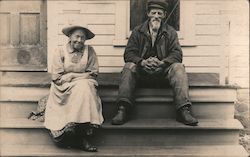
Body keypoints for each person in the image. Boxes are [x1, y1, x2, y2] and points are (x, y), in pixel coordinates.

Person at [111, 0, 198, 126]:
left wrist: (163, 63)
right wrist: (142, 62)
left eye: (159, 13)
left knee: (178, 67)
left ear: (164, 15)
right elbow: (128, 54)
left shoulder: (171, 32)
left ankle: (183, 110)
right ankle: (123, 109)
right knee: (129, 66)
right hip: (142, 73)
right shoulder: (137, 31)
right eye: (153, 13)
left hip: (163, 73)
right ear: (148, 14)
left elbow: (177, 54)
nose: (156, 16)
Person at [44, 26, 103, 152]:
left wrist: (72, 76)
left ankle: (78, 129)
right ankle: (73, 133)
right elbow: (57, 78)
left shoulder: (90, 51)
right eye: (77, 36)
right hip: (63, 88)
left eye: (83, 37)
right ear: (69, 37)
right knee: (83, 86)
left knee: (85, 86)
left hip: (83, 84)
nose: (80, 40)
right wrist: (79, 78)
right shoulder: (60, 51)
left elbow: (93, 74)